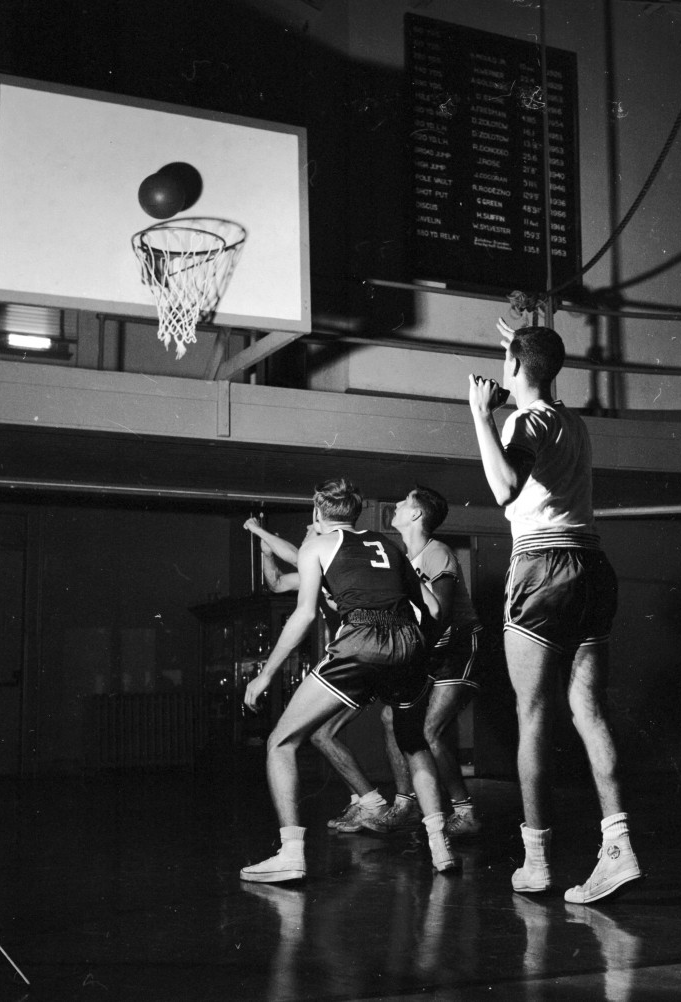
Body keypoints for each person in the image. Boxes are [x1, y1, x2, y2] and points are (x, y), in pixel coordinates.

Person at [467, 319, 641, 903]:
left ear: (515, 368)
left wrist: (479, 415)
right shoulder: (573, 420)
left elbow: (504, 487)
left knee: (533, 714)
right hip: (593, 569)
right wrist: (521, 345)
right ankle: (617, 847)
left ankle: (536, 860)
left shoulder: (522, 420)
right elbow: (538, 371)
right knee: (588, 710)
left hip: (543, 569)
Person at [239, 477, 460, 882]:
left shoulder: (316, 546)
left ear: (316, 514)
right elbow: (429, 606)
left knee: (281, 742)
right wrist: (412, 650)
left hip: (361, 639)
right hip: (406, 645)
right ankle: (440, 845)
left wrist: (265, 675)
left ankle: (290, 854)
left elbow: (304, 615)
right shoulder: (388, 544)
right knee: (413, 744)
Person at [243, 517, 411, 835]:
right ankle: (373, 802)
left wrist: (258, 529)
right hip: (363, 656)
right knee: (323, 733)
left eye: (309, 529)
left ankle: (397, 803)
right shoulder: (319, 573)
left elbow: (295, 553)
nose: (307, 534)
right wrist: (266, 552)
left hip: (365, 651)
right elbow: (277, 582)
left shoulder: (328, 553)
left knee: (393, 721)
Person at [387, 486, 484, 839]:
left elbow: (440, 614)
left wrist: (415, 652)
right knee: (390, 717)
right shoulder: (404, 558)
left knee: (431, 731)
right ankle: (405, 803)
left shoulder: (436, 552)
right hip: (429, 650)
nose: (395, 504)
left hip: (456, 646)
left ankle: (465, 811)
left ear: (415, 515)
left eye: (402, 501)